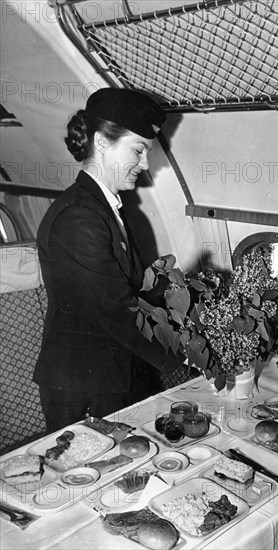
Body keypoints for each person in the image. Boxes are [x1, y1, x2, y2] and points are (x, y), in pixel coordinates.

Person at [34, 87, 184, 433]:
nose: (146, 164)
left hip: (117, 371)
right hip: (84, 386)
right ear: (101, 142)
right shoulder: (78, 217)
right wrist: (185, 355)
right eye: (138, 150)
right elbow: (116, 310)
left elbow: (126, 294)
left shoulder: (105, 209)